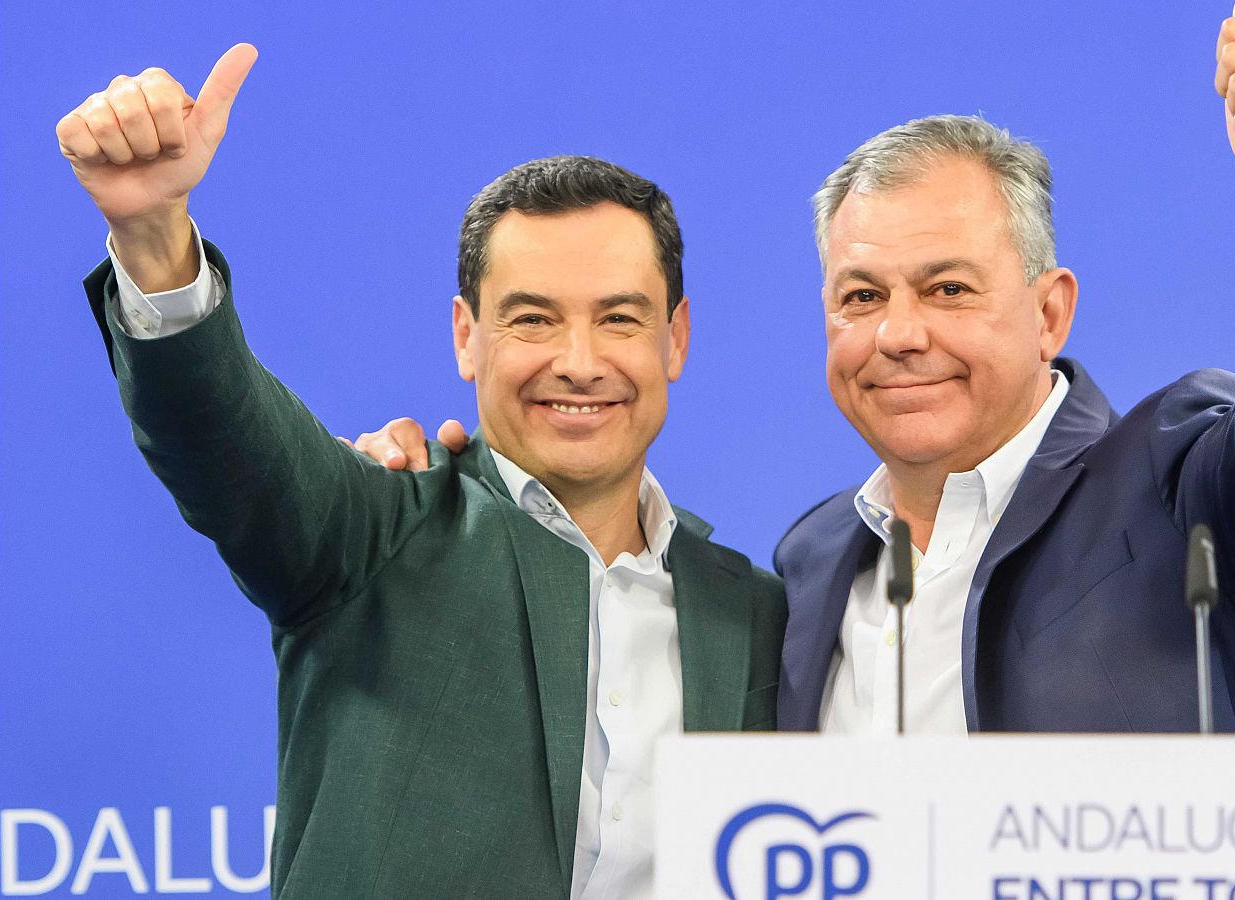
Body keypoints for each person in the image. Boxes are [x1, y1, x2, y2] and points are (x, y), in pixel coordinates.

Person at [360, 0, 1235, 735]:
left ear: (1049, 312)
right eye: (861, 297)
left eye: (947, 290)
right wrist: (431, 500)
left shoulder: (1177, 476)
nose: (898, 334)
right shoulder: (807, 565)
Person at [58, 44, 785, 899]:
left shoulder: (755, 611)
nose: (579, 361)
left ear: (676, 340)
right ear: (465, 337)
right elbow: (228, 440)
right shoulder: (372, 530)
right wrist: (153, 234)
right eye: (533, 319)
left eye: (620, 319)